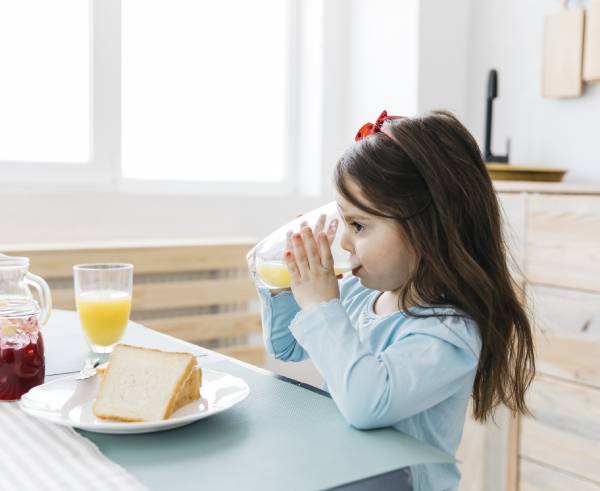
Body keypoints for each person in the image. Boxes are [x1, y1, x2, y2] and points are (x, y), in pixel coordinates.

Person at [256, 110, 535, 490]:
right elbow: (285, 346)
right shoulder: (358, 296)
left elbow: (366, 403)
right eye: (344, 222)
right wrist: (285, 280)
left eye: (358, 225)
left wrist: (322, 307)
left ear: (426, 230)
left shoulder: (448, 333)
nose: (343, 242)